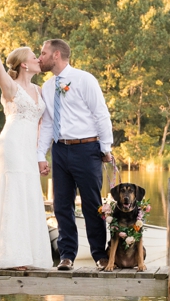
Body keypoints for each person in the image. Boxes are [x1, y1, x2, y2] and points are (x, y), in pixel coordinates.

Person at [0, 34, 55, 270]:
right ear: (24, 63)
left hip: (29, 147)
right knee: (13, 192)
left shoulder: (39, 89)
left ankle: (28, 255)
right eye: (34, 57)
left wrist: (39, 156)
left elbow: (41, 125)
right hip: (12, 144)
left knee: (28, 193)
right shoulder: (10, 86)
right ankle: (10, 256)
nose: (38, 59)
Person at [35, 38, 114, 270]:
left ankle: (100, 255)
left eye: (43, 53)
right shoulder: (48, 87)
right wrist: (41, 154)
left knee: (92, 204)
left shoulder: (84, 79)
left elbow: (101, 114)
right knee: (61, 205)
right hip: (60, 150)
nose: (40, 57)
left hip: (86, 148)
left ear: (56, 55)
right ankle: (67, 255)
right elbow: (48, 123)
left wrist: (105, 147)